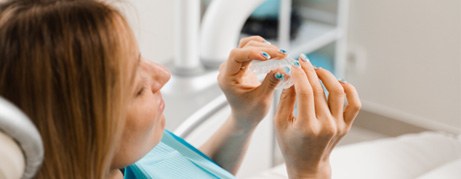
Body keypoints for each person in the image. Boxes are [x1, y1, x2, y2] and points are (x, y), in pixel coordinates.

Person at [0, 0, 361, 178]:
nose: (162, 75)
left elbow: (183, 172)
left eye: (141, 57)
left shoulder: (121, 158)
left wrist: (243, 120)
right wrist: (310, 168)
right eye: (138, 88)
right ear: (82, 133)